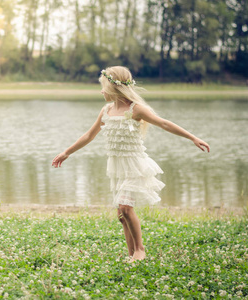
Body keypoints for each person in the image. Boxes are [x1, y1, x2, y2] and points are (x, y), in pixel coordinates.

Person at [51, 66, 210, 262]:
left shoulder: (136, 109)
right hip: (117, 167)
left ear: (113, 87)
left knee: (126, 207)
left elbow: (165, 123)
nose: (101, 92)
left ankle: (140, 250)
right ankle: (131, 253)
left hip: (134, 165)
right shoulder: (106, 110)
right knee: (121, 214)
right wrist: (67, 152)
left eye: (103, 87)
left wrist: (193, 138)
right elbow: (89, 135)